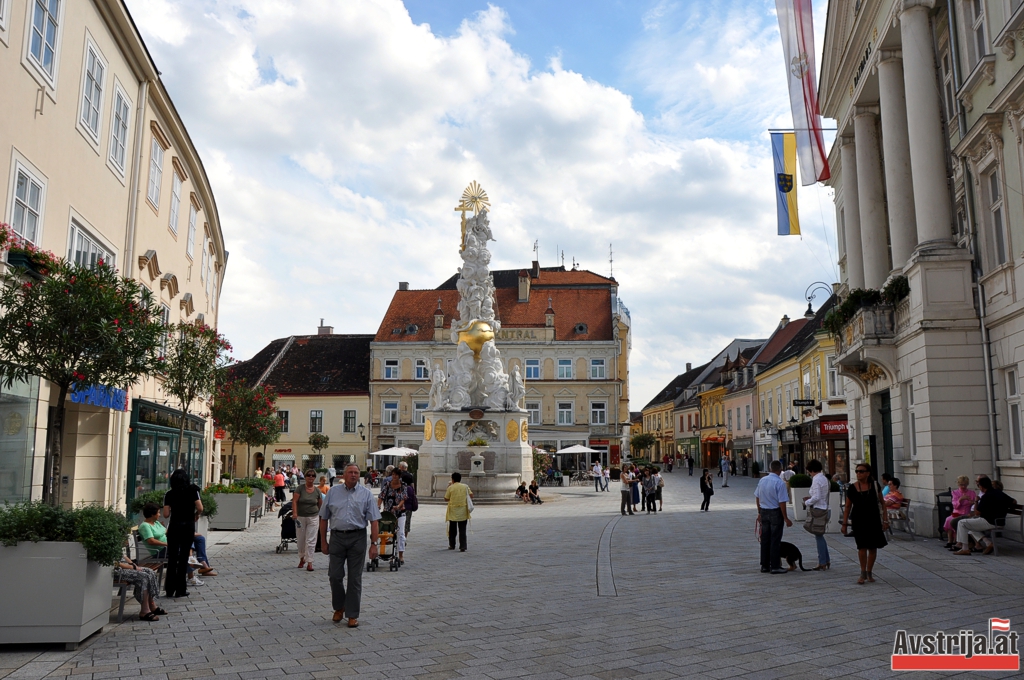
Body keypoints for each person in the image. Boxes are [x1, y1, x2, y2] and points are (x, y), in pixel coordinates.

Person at [319, 463, 381, 627]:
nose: (353, 475)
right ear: (343, 475)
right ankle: (339, 607)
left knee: (355, 578)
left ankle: (352, 614)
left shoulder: (366, 494)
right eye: (350, 472)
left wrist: (374, 544)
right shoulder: (333, 492)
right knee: (335, 576)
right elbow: (323, 518)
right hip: (337, 537)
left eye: (356, 472)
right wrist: (323, 542)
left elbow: (374, 520)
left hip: (357, 538)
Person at [841, 464, 888, 583]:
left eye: (861, 471)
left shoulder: (875, 486)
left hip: (873, 520)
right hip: (859, 520)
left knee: (872, 547)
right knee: (861, 547)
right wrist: (844, 524)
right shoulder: (852, 488)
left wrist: (885, 520)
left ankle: (869, 572)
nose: (858, 474)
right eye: (857, 471)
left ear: (868, 473)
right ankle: (862, 573)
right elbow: (847, 506)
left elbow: (883, 503)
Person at [953, 476, 1017, 555]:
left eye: (979, 486)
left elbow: (977, 513)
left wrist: (976, 501)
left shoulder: (986, 496)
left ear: (981, 487)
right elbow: (1014, 501)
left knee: (961, 523)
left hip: (989, 521)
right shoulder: (999, 493)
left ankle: (964, 548)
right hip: (1000, 522)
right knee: (969, 525)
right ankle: (988, 543)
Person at [163, 469, 202, 598]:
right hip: (188, 526)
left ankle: (169, 589)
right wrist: (196, 515)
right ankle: (181, 589)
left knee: (172, 558)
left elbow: (166, 514)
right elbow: (200, 507)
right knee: (184, 556)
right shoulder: (193, 490)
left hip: (174, 526)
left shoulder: (169, 494)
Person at [755, 460, 793, 574]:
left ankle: (764, 565)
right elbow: (782, 502)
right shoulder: (779, 483)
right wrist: (786, 518)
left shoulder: (762, 480)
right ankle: (775, 565)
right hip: (775, 512)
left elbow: (757, 497)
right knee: (775, 540)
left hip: (764, 511)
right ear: (780, 470)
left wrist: (759, 512)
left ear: (770, 468)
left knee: (765, 539)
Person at [113, 549, 166, 622]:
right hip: (116, 571)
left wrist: (133, 564)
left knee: (150, 572)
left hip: (126, 567)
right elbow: (114, 563)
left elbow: (123, 556)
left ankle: (152, 605)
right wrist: (133, 568)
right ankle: (144, 611)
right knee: (143, 577)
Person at [802, 459, 831, 570]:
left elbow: (817, 497)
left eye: (809, 471)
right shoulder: (824, 478)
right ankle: (826, 560)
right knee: (820, 535)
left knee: (818, 536)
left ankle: (822, 561)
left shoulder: (816, 479)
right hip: (825, 508)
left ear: (812, 470)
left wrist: (807, 502)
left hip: (819, 510)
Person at [294, 469, 323, 572]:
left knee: (311, 540)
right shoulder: (300, 489)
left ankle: (310, 562)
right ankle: (302, 558)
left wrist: (322, 516)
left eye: (313, 475)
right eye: (308, 475)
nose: (311, 477)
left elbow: (320, 504)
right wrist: (295, 513)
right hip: (301, 517)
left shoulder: (317, 491)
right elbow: (295, 501)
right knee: (301, 539)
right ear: (305, 477)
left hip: (313, 516)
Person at [377, 472, 408, 564]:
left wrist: (398, 506)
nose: (394, 476)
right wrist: (378, 506)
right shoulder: (387, 485)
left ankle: (401, 555)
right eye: (393, 474)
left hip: (400, 512)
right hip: (388, 512)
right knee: (388, 533)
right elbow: (381, 496)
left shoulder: (403, 485)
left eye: (396, 475)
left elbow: (404, 498)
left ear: (399, 476)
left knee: (401, 534)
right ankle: (390, 554)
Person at [944, 475, 977, 549]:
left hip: (967, 512)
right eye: (961, 484)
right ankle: (950, 540)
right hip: (957, 512)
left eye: (965, 484)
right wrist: (960, 499)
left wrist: (972, 502)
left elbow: (975, 503)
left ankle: (958, 541)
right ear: (958, 484)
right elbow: (955, 506)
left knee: (960, 521)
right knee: (949, 519)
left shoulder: (971, 493)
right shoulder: (955, 492)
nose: (963, 486)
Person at [445, 472, 473, 551]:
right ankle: (463, 546)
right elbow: (471, 495)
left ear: (452, 479)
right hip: (463, 511)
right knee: (462, 530)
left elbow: (446, 498)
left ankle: (452, 545)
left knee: (452, 530)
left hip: (453, 511)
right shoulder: (465, 486)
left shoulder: (451, 487)